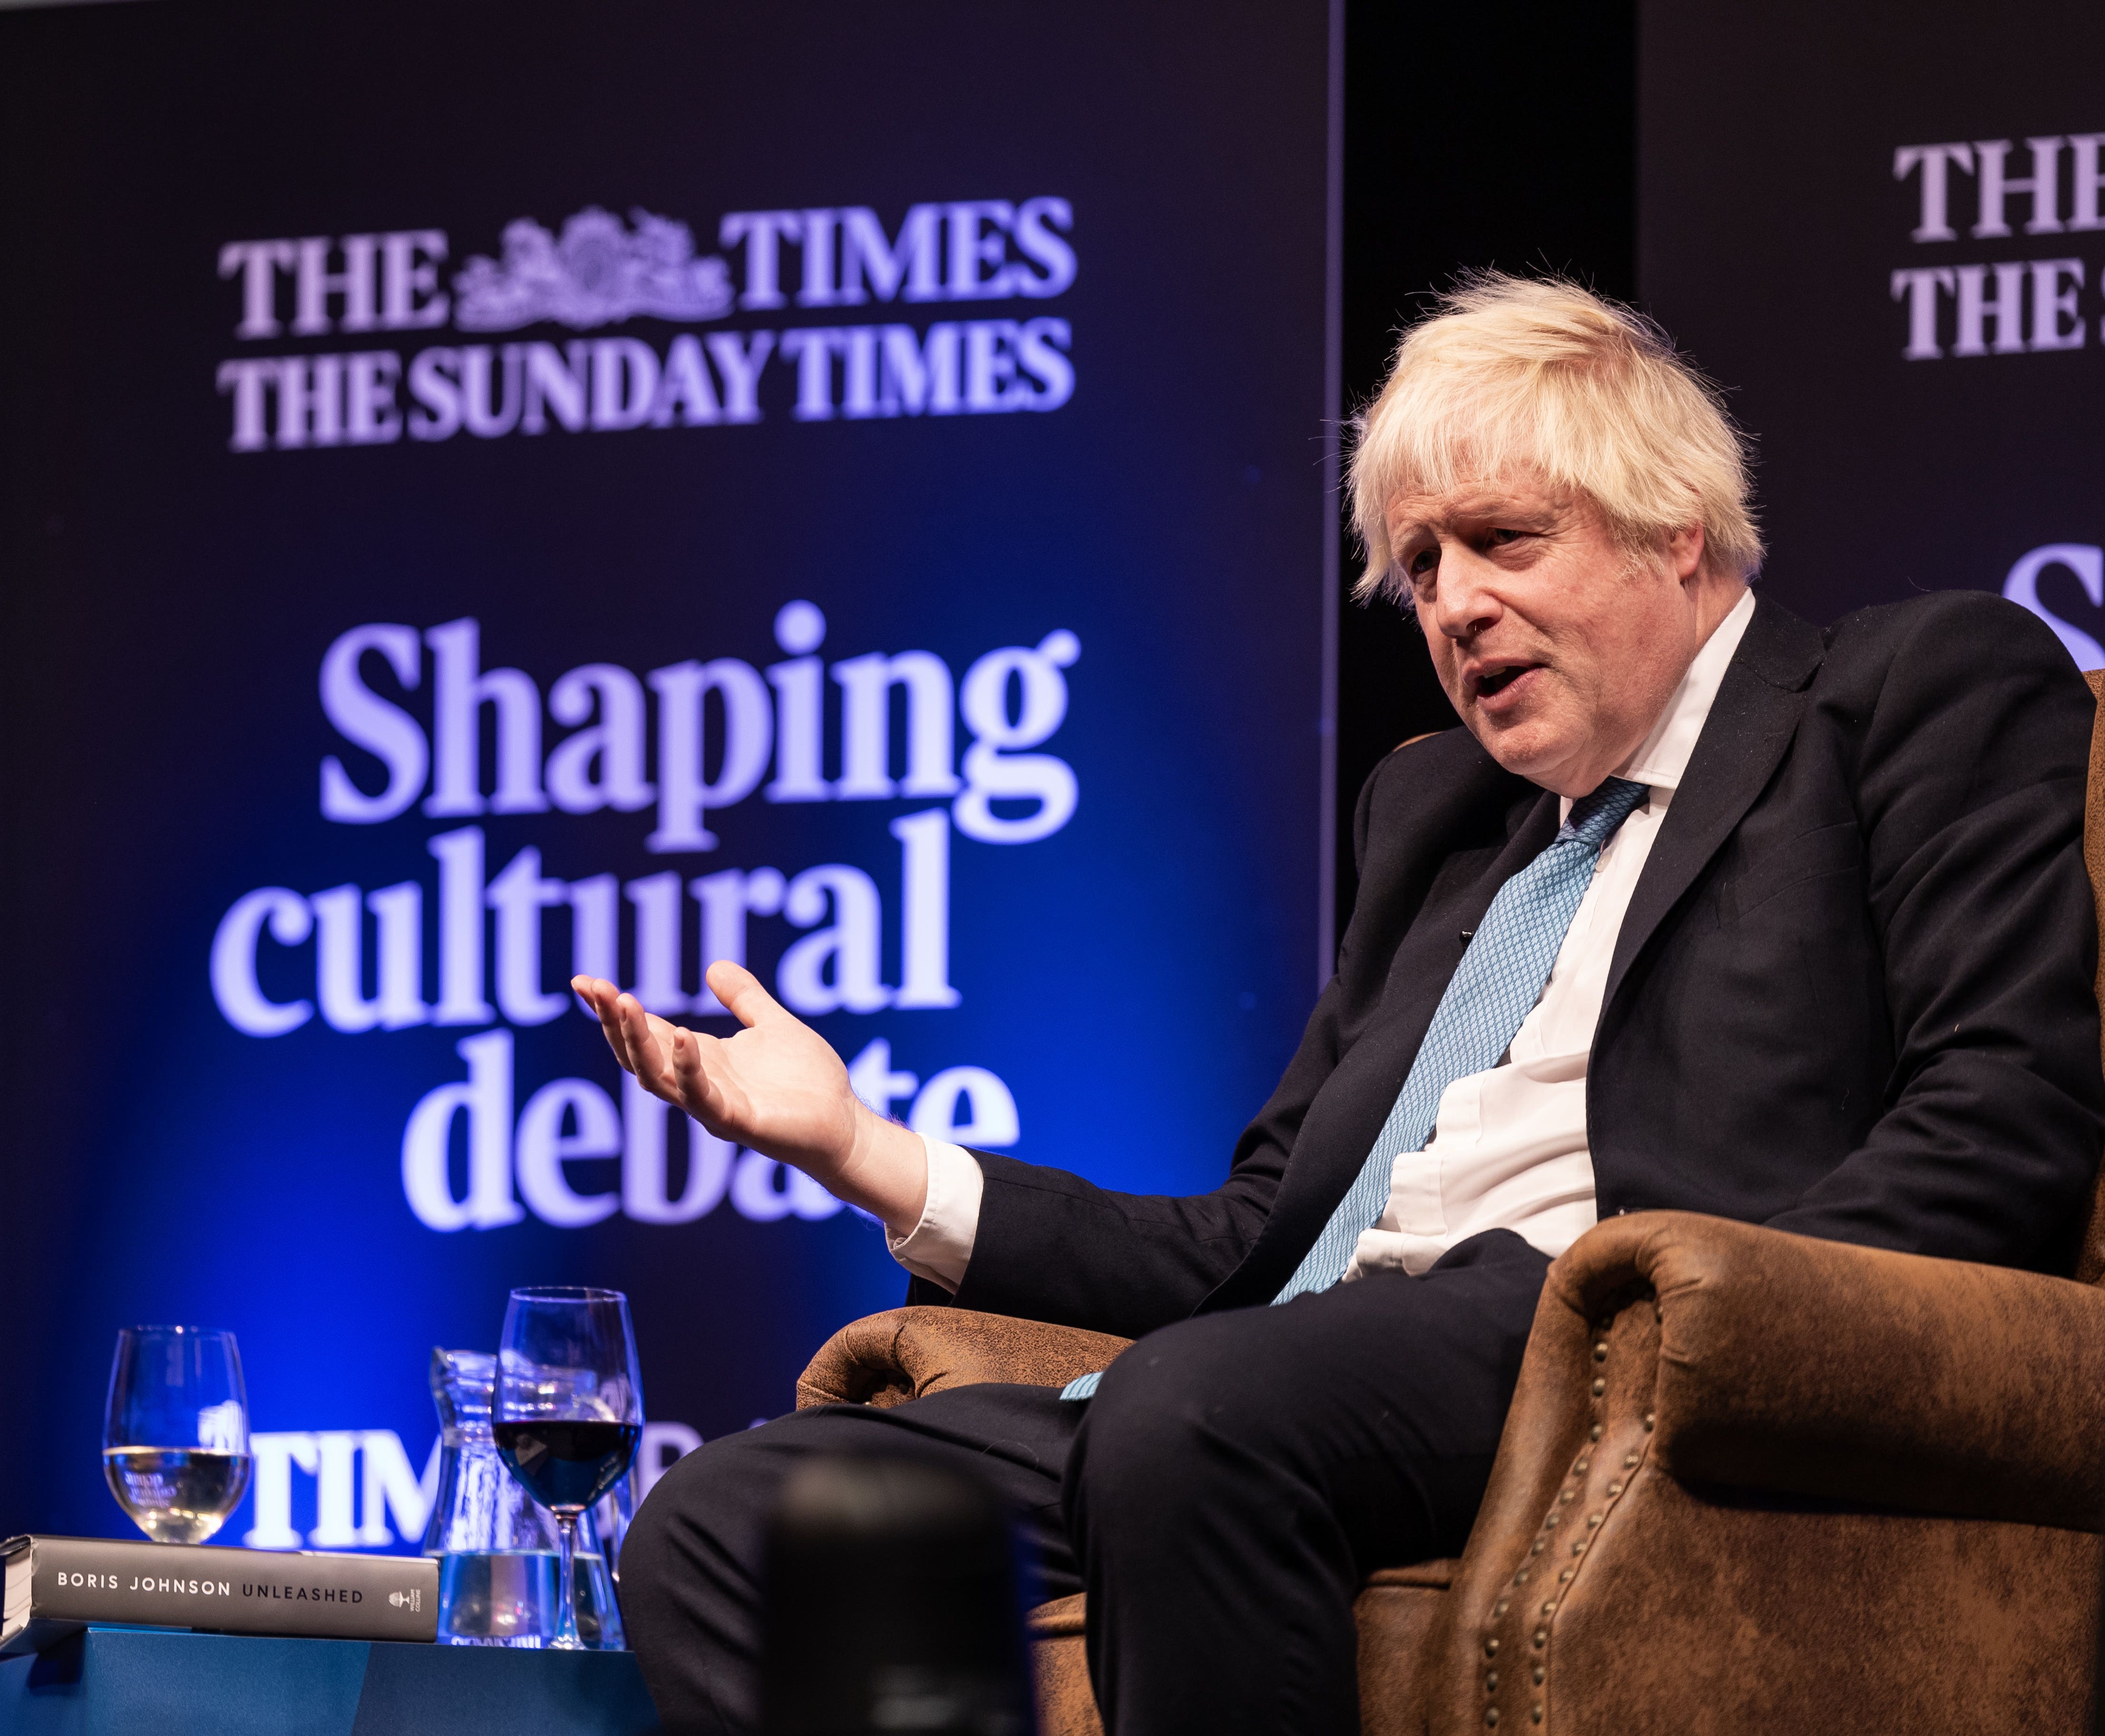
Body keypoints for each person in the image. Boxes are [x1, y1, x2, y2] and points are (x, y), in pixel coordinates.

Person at [574, 275, 2105, 1736]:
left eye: (1503, 539)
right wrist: (861, 1144)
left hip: (1614, 1326)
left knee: (1197, 1410)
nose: (1455, 606)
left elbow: (2000, 1113)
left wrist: (1684, 1326)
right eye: (1422, 567)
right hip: (1296, 1367)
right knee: (732, 1525)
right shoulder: (1441, 821)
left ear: (1679, 531)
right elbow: (1260, 1237)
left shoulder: (1901, 693)